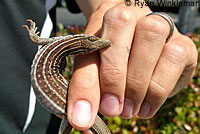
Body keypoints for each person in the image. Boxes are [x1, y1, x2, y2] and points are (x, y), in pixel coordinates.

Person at [0, 0, 197, 133]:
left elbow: (108, 4)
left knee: (74, 116)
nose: (99, 46)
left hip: (33, 124)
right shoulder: (55, 48)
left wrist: (121, 8)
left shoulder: (53, 48)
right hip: (47, 108)